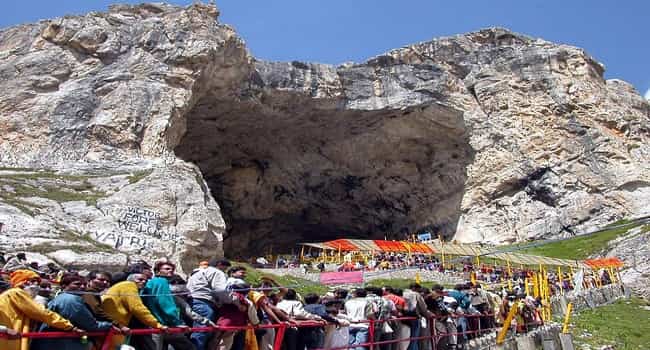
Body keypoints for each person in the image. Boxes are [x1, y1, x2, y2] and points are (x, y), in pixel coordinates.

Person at [0, 269, 83, 350]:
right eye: (33, 281)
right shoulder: (16, 293)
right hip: (7, 338)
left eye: (38, 282)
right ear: (23, 282)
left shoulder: (14, 294)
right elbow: (40, 312)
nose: (36, 285)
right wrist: (69, 326)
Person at [31, 274, 119, 350]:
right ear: (64, 286)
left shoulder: (61, 298)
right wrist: (110, 325)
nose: (82, 287)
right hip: (61, 344)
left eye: (84, 284)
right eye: (77, 284)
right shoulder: (71, 300)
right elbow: (90, 325)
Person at [101, 273, 168, 350]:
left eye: (145, 281)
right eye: (140, 279)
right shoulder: (129, 285)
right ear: (131, 280)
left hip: (114, 325)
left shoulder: (121, 286)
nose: (143, 282)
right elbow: (137, 308)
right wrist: (157, 325)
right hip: (115, 326)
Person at [143, 261, 194, 350]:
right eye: (167, 269)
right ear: (158, 272)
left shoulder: (150, 283)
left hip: (154, 323)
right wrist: (177, 322)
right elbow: (165, 303)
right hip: (164, 324)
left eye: (172, 269)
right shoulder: (161, 282)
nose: (170, 271)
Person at [187, 258, 231, 350]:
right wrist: (229, 300)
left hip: (192, 301)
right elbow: (220, 290)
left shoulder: (196, 273)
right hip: (205, 302)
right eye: (225, 268)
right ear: (219, 264)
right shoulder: (217, 272)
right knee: (202, 331)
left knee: (197, 329)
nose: (225, 271)